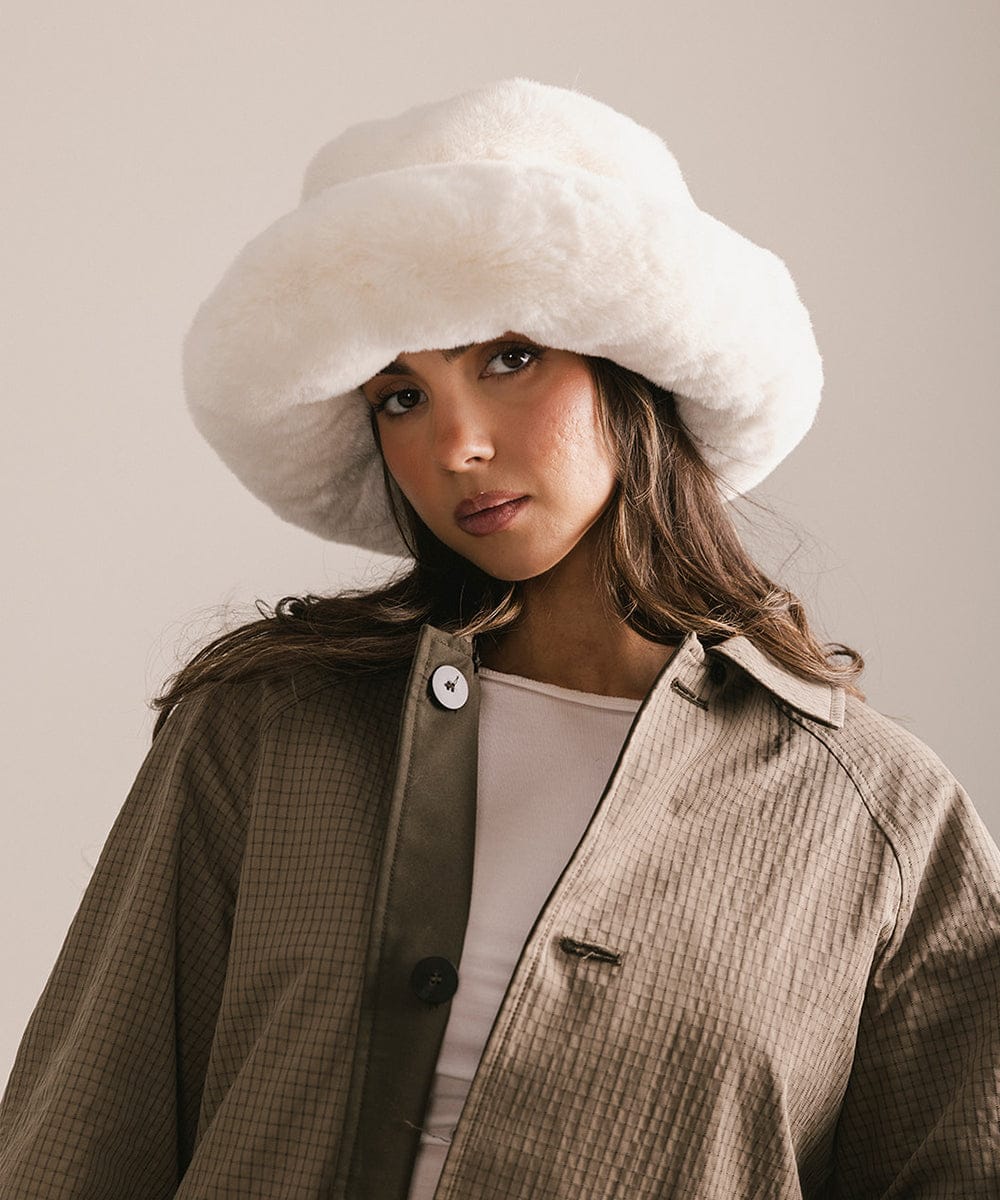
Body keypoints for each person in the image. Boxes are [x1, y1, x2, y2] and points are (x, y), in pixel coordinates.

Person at [1, 77, 997, 1200]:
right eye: (399, 397)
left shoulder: (875, 819)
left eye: (508, 359)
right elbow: (85, 1127)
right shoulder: (266, 730)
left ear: (632, 371)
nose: (456, 445)